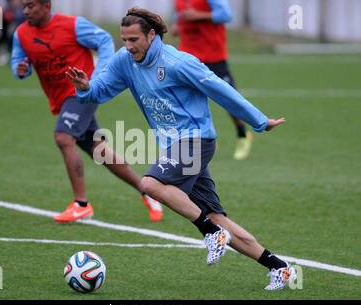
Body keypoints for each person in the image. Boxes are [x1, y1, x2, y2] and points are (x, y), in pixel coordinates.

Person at [66, 7, 295, 290]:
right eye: (124, 40)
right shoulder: (125, 60)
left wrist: (260, 122)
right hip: (174, 146)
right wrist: (85, 87)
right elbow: (101, 89)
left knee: (150, 183)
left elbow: (221, 91)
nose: (128, 46)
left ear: (151, 35)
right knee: (217, 217)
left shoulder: (178, 62)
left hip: (197, 140)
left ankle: (210, 233)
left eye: (134, 40)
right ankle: (279, 267)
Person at [11, 0, 162, 223]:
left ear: (46, 6)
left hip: (81, 91)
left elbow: (103, 40)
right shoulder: (21, 33)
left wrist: (98, 75)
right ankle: (147, 192)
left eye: (30, 6)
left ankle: (81, 204)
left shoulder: (73, 25)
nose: (25, 11)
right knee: (99, 151)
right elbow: (17, 59)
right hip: (61, 100)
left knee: (63, 137)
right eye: (24, 6)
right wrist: (20, 69)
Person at [171, 0, 252, 160]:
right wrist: (177, 24)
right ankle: (204, 141)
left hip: (213, 56)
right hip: (187, 56)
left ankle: (243, 134)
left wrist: (198, 15)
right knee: (185, 99)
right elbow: (180, 13)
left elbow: (226, 15)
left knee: (229, 99)